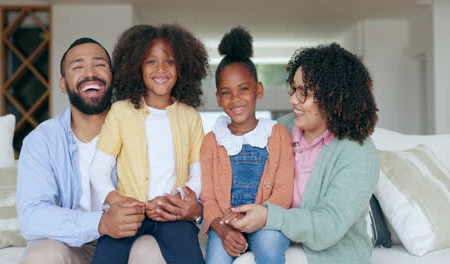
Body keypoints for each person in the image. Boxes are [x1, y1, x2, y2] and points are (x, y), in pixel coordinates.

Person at [229, 43, 380, 264]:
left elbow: (328, 226)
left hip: (332, 256)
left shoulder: (359, 152)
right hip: (276, 242)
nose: (292, 100)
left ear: (334, 97)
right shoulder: (281, 129)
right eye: (294, 89)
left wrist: (269, 217)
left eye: (304, 93)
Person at [16, 38, 148, 264]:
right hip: (68, 244)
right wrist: (101, 223)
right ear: (64, 84)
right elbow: (32, 216)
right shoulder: (41, 141)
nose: (90, 73)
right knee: (43, 255)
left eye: (100, 65)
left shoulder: (141, 129)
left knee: (151, 250)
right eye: (78, 67)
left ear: (112, 78)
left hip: (129, 240)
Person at [89, 24, 208, 264]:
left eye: (170, 62)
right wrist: (117, 201)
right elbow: (99, 170)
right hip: (128, 214)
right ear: (136, 67)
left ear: (183, 67)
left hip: (172, 214)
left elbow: (198, 174)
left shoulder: (190, 117)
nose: (161, 69)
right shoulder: (120, 112)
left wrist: (173, 199)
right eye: (151, 61)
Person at [200, 27, 294, 264]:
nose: (236, 99)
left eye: (243, 89)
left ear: (258, 90)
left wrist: (260, 216)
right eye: (226, 92)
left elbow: (284, 190)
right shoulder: (212, 141)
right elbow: (208, 198)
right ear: (219, 98)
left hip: (266, 220)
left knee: (269, 246)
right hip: (226, 223)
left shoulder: (278, 134)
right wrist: (222, 229)